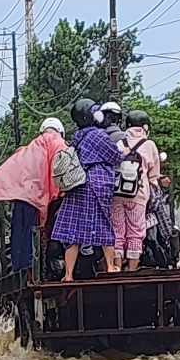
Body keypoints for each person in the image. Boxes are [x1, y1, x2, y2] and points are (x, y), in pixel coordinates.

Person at [52, 95, 125, 280]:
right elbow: (116, 156)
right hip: (97, 184)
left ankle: (68, 274)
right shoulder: (98, 135)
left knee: (73, 230)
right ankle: (110, 266)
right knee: (103, 224)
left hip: (78, 184)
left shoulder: (78, 135)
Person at [112, 109, 162, 271]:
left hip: (117, 194)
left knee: (117, 232)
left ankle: (116, 270)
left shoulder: (120, 144)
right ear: (145, 127)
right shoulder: (149, 145)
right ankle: (132, 270)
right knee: (135, 232)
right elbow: (154, 176)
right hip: (138, 195)